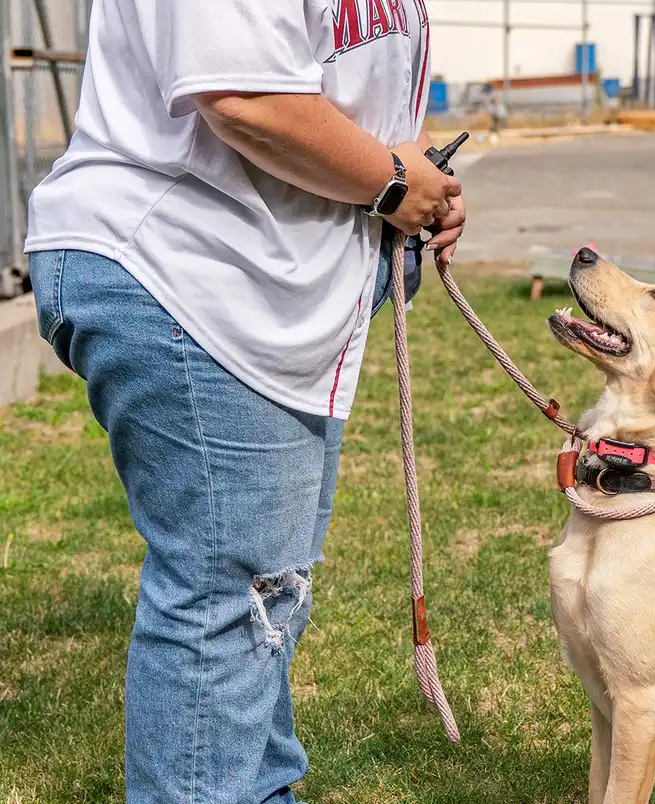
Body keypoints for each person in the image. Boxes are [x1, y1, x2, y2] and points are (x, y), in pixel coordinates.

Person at [23, 1, 463, 801]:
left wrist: (409, 178)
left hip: (259, 277)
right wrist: (393, 183)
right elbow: (247, 98)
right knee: (229, 604)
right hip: (188, 262)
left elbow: (340, 91)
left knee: (262, 597)